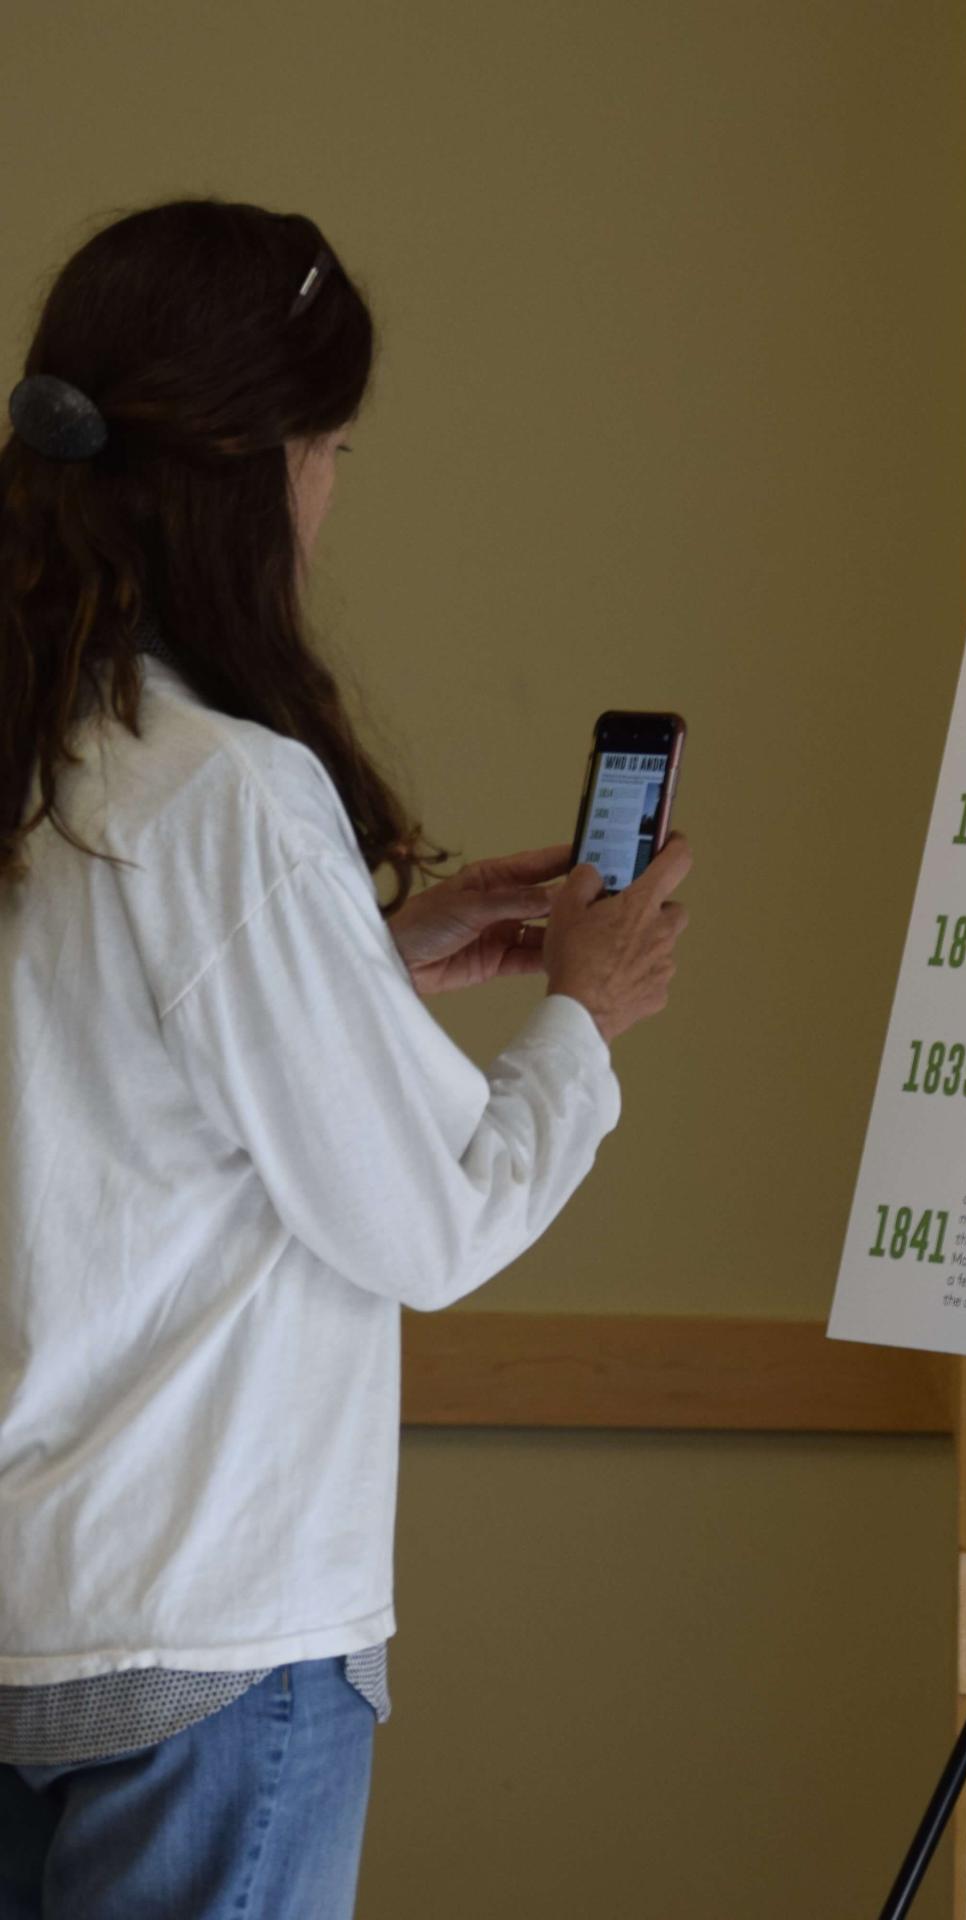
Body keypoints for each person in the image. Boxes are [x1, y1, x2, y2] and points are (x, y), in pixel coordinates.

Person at [0, 201, 692, 1918]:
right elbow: (432, 1225)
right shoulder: (234, 796)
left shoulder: (47, 757)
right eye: (332, 451)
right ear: (260, 471)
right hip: (215, 1643)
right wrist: (584, 1022)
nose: (331, 498)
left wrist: (364, 965)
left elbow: (96, 1099)